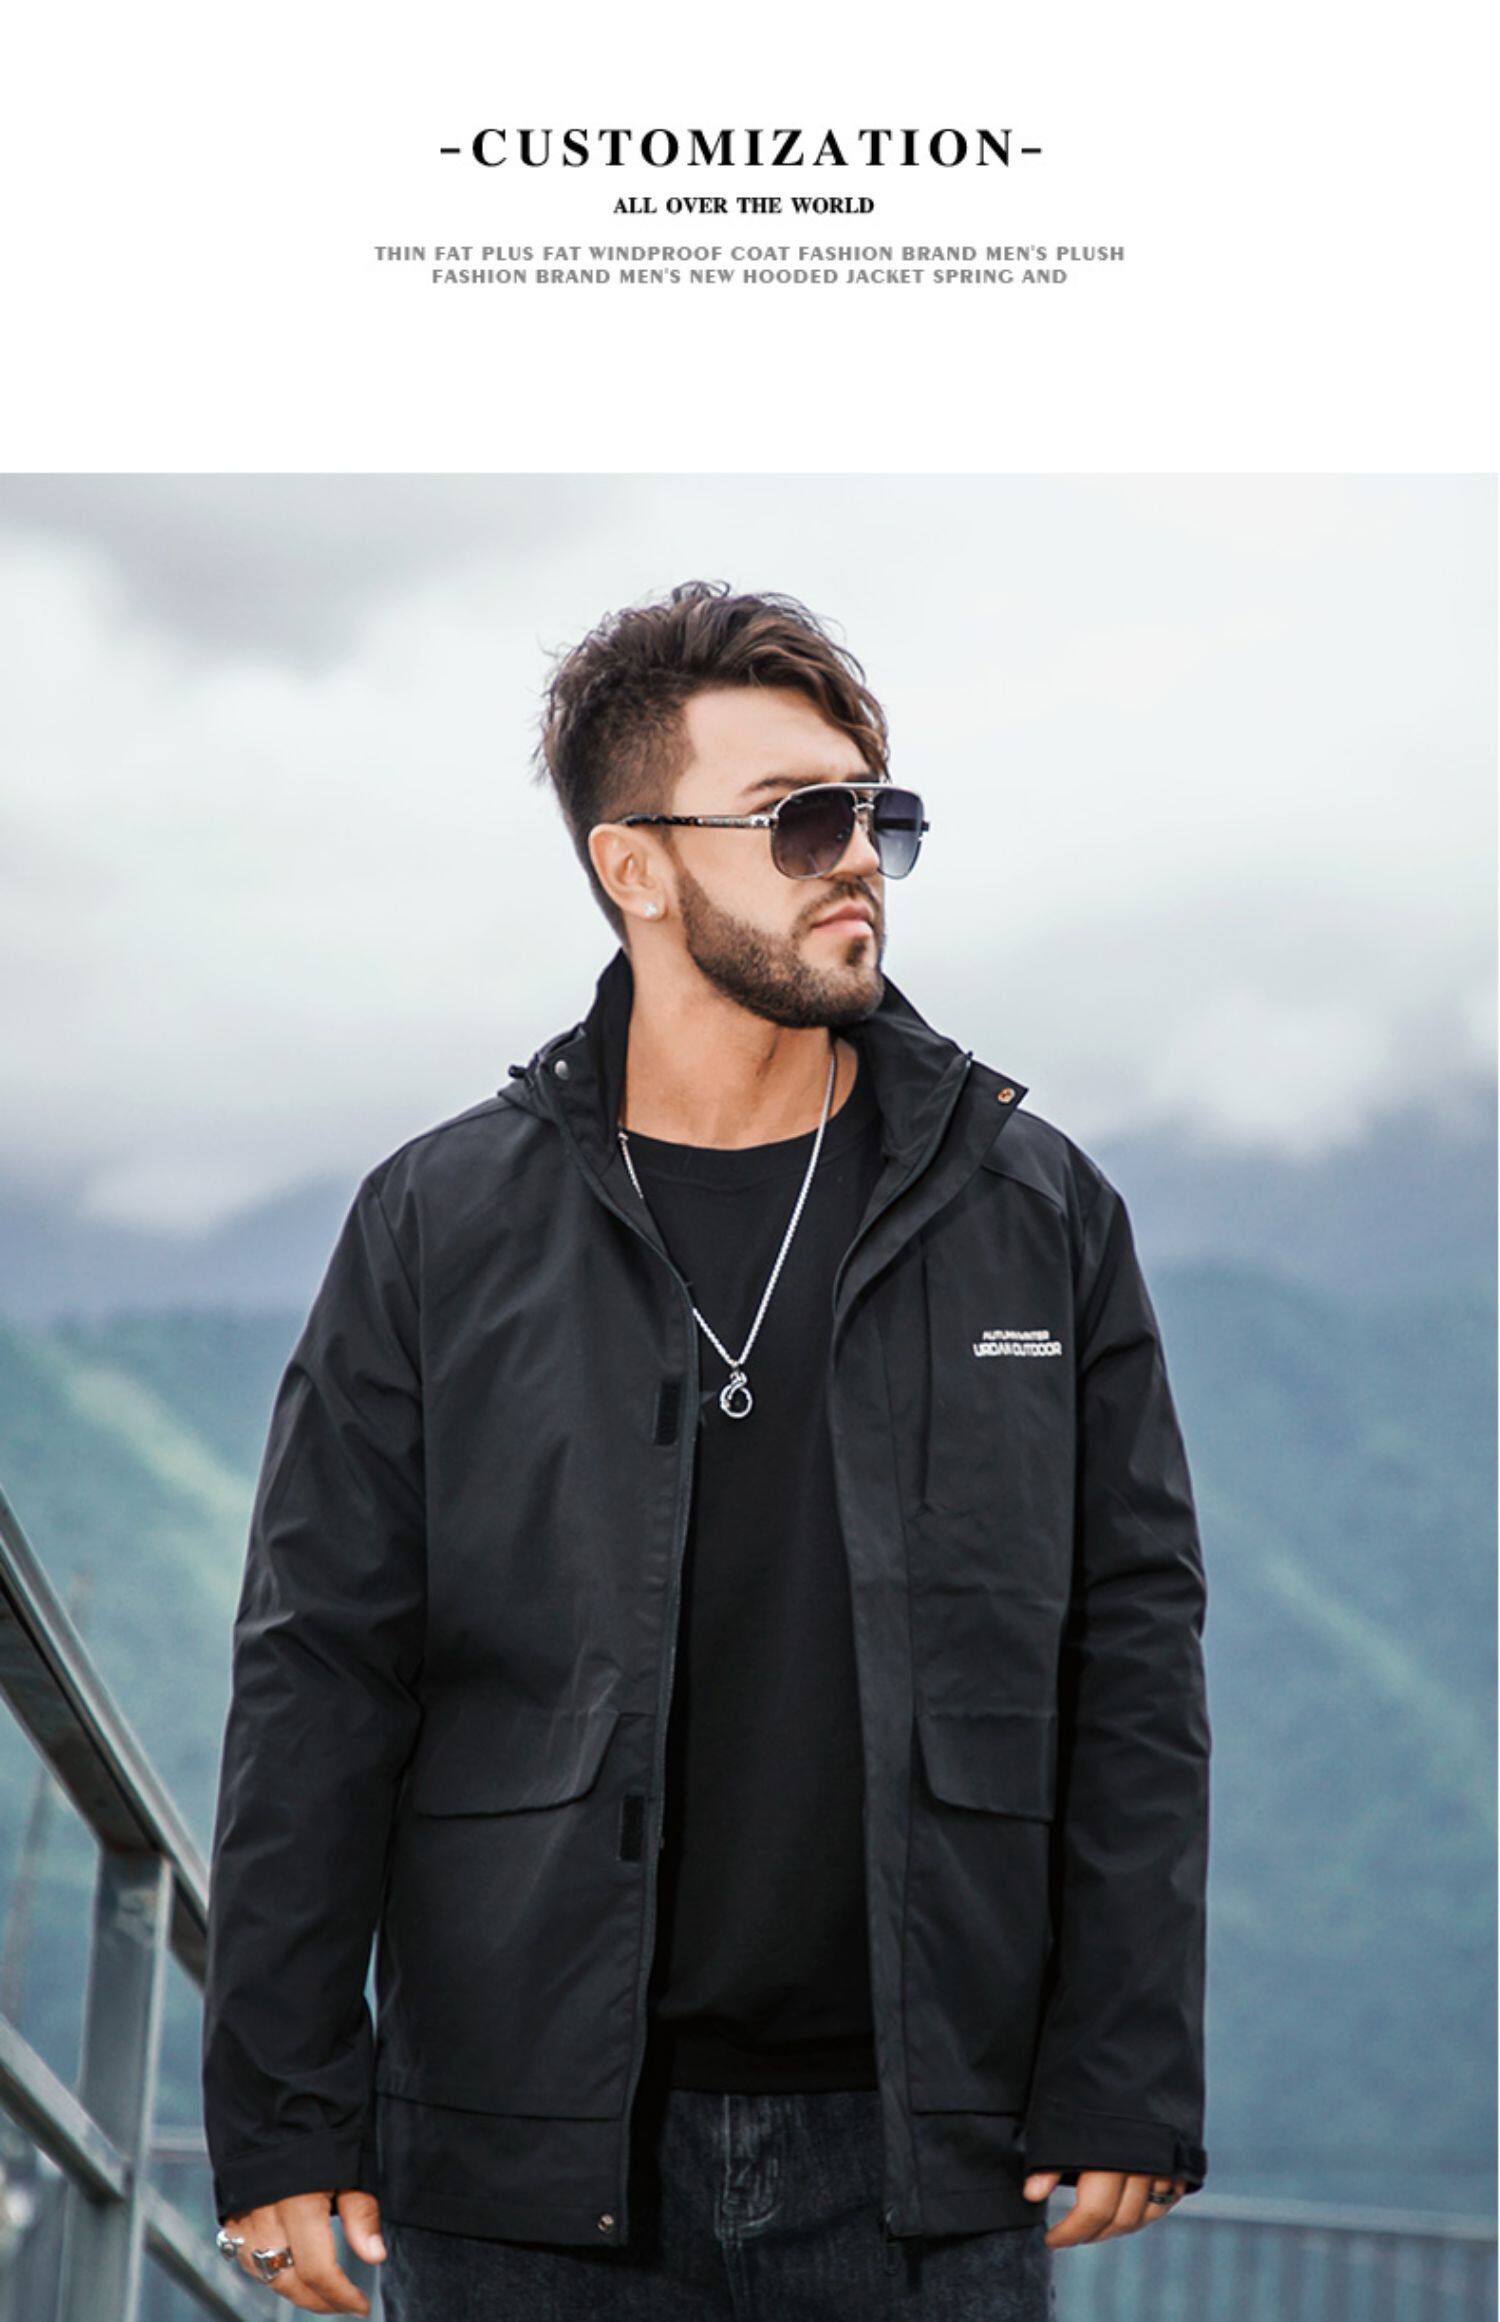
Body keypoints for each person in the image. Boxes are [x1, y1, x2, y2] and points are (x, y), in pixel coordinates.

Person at [203, 580, 1211, 2317]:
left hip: (929, 2160)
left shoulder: (1035, 1210)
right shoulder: (439, 1224)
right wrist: (285, 2110)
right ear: (636, 868)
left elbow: (1133, 1652)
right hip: (526, 2169)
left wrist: (1126, 2059)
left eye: (877, 813)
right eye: (798, 819)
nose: (858, 856)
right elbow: (322, 1672)